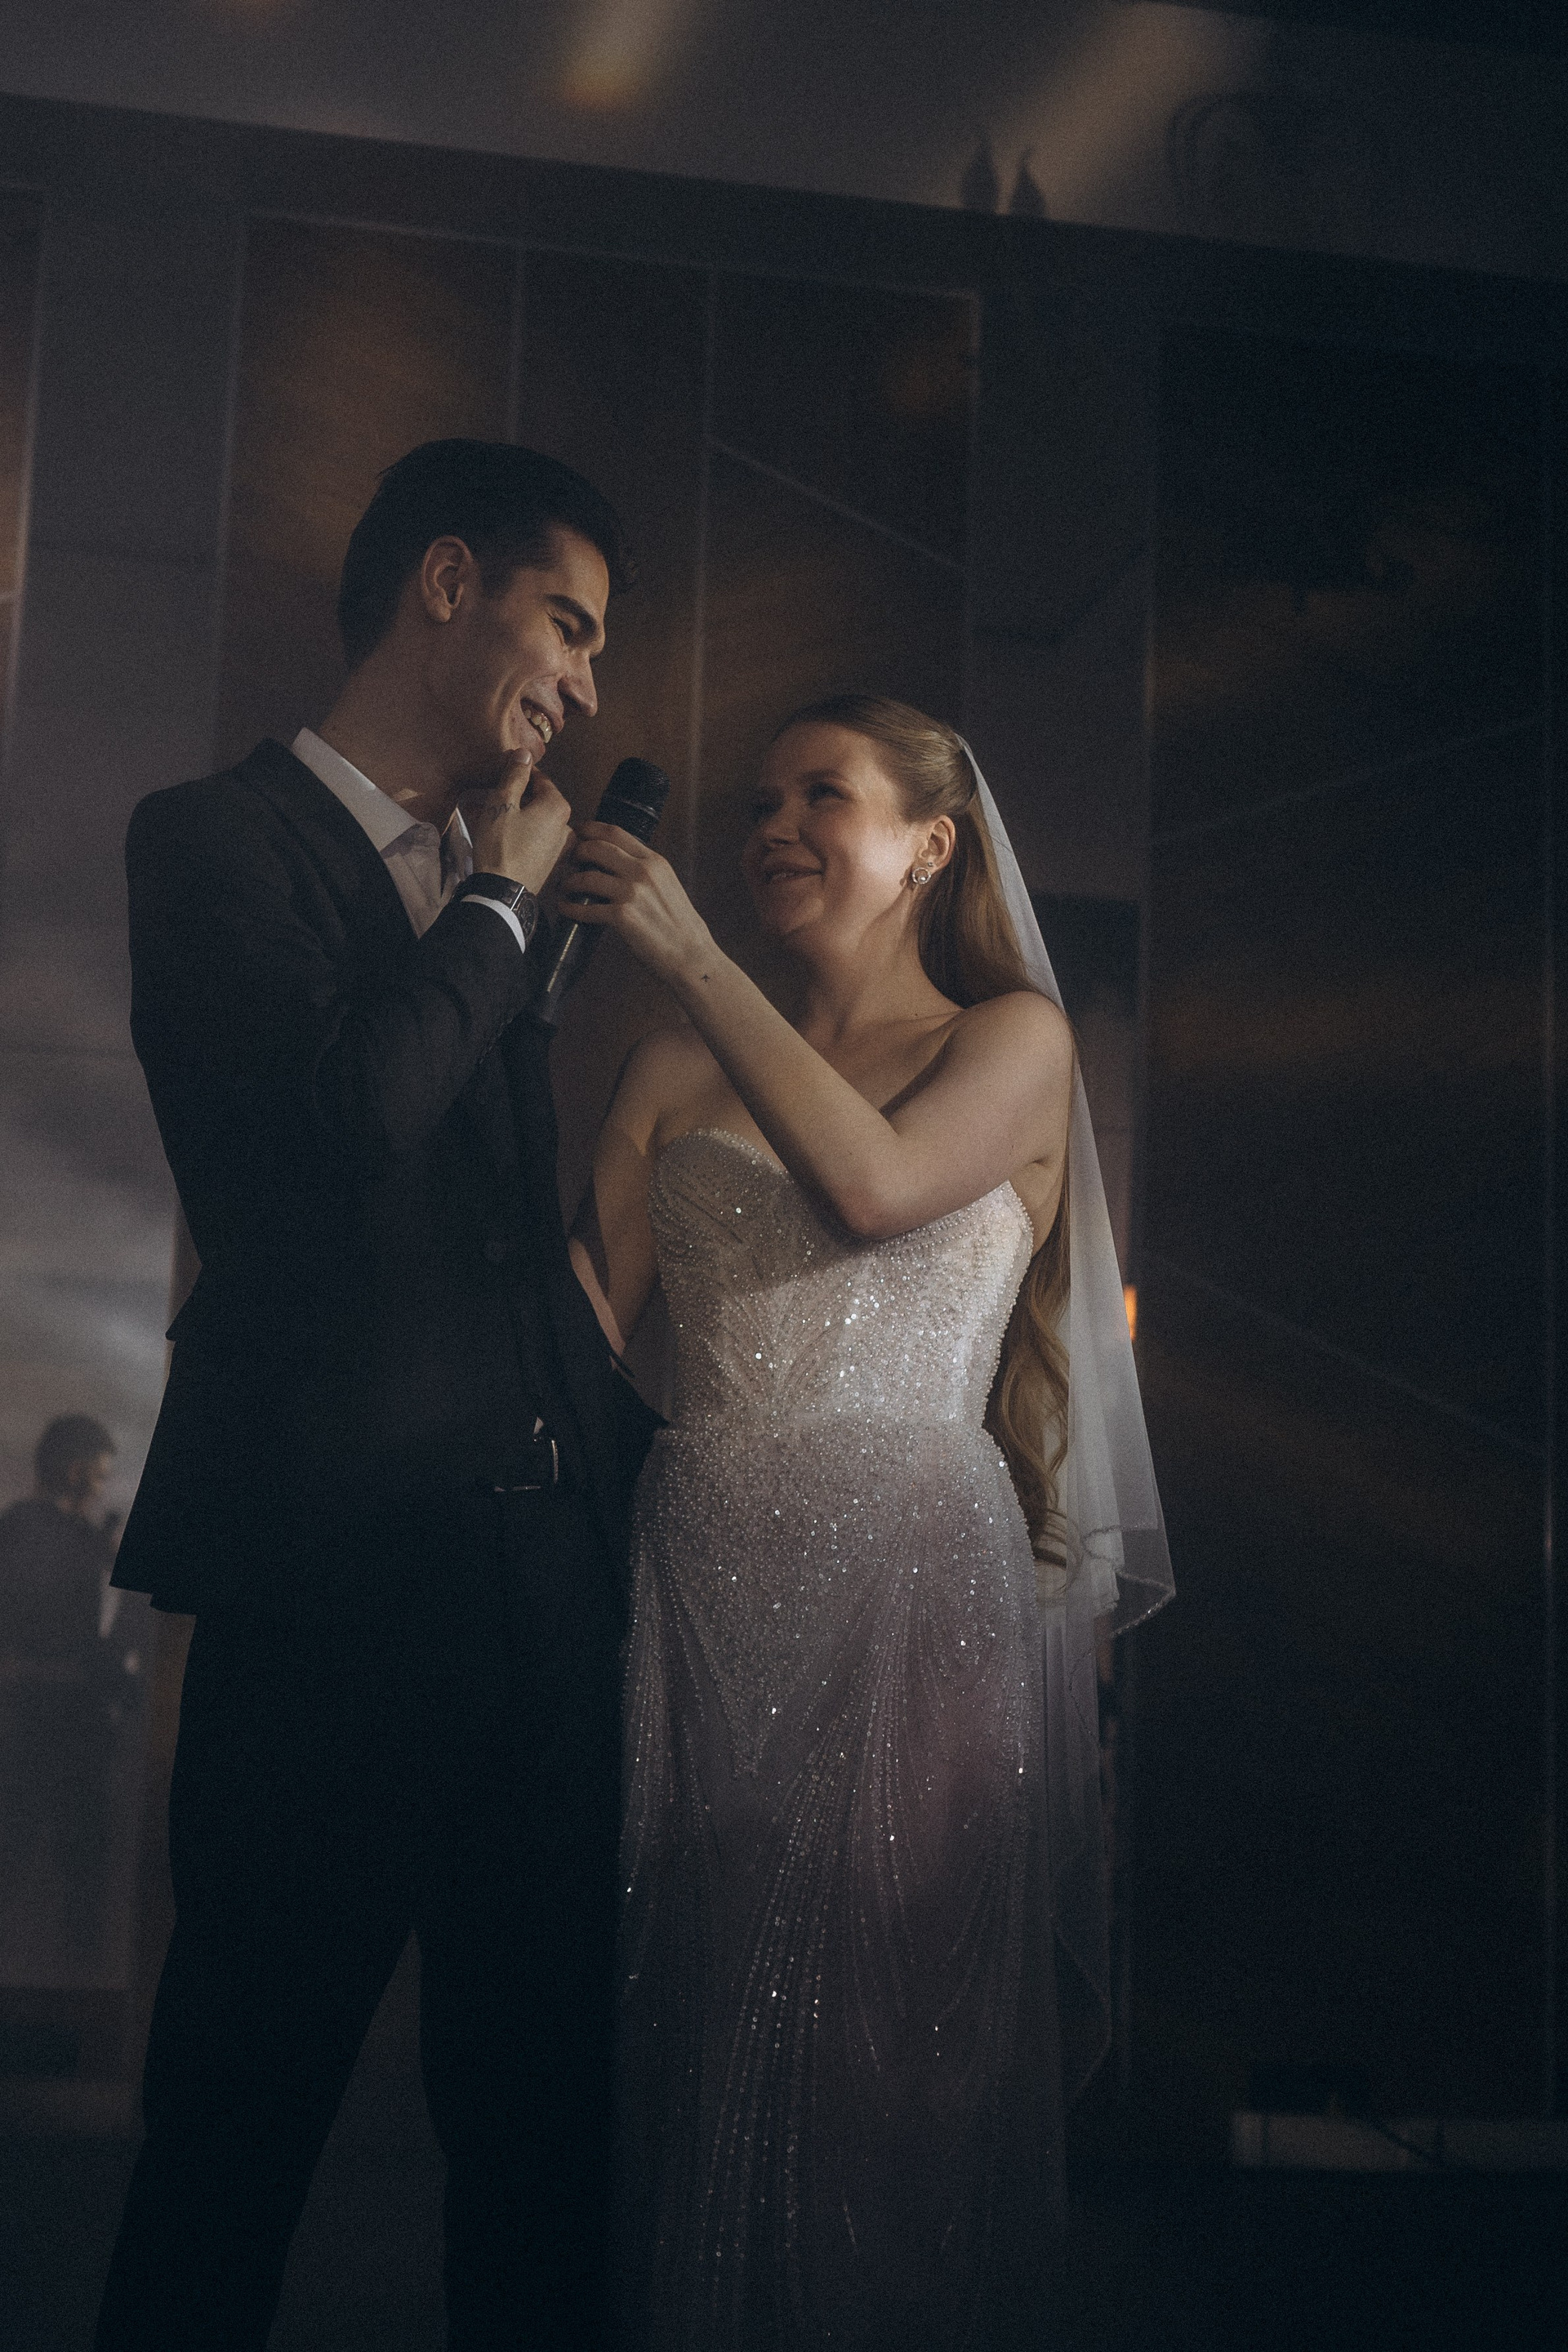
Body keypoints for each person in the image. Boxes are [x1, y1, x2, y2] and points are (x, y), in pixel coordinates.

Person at [95, 439, 661, 2352]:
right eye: (568, 624)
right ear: (445, 581)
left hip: (544, 1603)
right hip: (327, 1590)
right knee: (236, 2127)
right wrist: (496, 907)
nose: (584, 683)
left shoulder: (498, 882)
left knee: (541, 2143)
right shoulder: (212, 839)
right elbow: (333, 1138)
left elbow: (502, 1243)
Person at [567, 694, 1173, 2350]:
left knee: (887, 2055)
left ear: (929, 846)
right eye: (759, 801)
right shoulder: (668, 1067)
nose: (772, 826)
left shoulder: (1012, 1041)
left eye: (819, 796)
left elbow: (880, 1189)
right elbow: (572, 1337)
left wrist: (690, 957)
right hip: (696, 1576)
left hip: (910, 1579)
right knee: (700, 2017)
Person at [0, 1415, 140, 1976]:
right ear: (74, 1469)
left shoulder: (27, 1530)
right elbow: (68, 1634)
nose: (101, 1487)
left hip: (46, 1717)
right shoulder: (39, 1533)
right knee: (63, 1859)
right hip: (48, 1718)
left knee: (49, 1855)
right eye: (98, 1475)